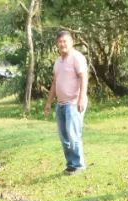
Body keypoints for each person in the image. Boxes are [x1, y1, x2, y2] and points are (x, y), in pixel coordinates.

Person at [43, 30, 88, 175]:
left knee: (73, 134)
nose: (62, 44)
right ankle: (71, 165)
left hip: (74, 103)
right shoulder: (58, 62)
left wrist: (81, 97)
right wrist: (49, 103)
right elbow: (55, 83)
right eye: (60, 42)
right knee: (64, 137)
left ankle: (79, 165)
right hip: (61, 104)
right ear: (57, 44)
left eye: (65, 41)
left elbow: (84, 78)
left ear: (71, 42)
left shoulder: (77, 58)